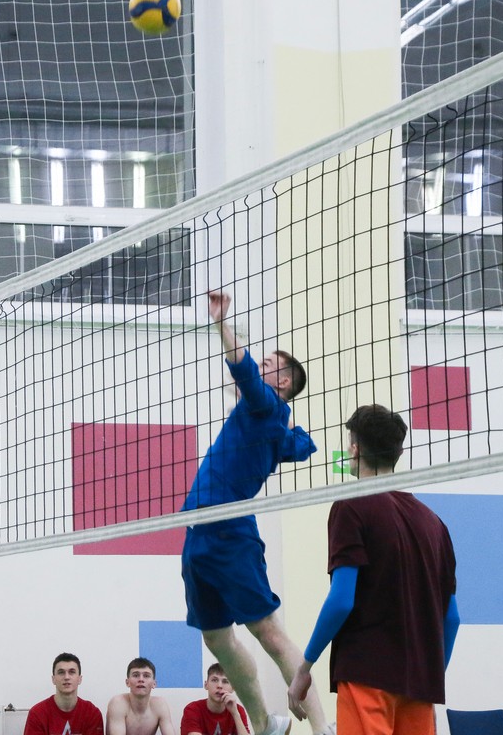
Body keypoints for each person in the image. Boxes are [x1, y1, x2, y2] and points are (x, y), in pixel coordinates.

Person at [180, 290, 330, 735]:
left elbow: (241, 367)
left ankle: (322, 727)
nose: (260, 365)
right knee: (215, 636)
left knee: (268, 632)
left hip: (229, 531)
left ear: (281, 382)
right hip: (197, 531)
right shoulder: (270, 419)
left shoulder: (265, 405)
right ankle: (265, 723)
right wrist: (288, 421)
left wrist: (221, 323)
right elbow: (304, 445)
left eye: (269, 364)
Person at [287, 404, 459, 735]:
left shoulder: (351, 503)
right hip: (420, 686)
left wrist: (304, 667)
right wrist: (430, 677)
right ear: (398, 452)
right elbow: (451, 619)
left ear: (354, 448)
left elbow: (341, 600)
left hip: (366, 674)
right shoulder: (436, 524)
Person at [24, 652, 103, 735]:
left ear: (79, 679)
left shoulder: (92, 713)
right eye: (61, 672)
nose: (66, 677)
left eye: (72, 672)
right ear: (53, 679)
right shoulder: (37, 714)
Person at [106, 657, 177, 735]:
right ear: (127, 682)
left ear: (154, 684)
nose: (141, 679)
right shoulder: (118, 703)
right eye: (136, 675)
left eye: (146, 676)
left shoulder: (160, 704)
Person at [181, 663, 251, 735]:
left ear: (233, 688)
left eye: (225, 681)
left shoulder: (238, 710)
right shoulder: (192, 709)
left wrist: (235, 714)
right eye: (214, 680)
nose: (219, 686)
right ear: (206, 685)